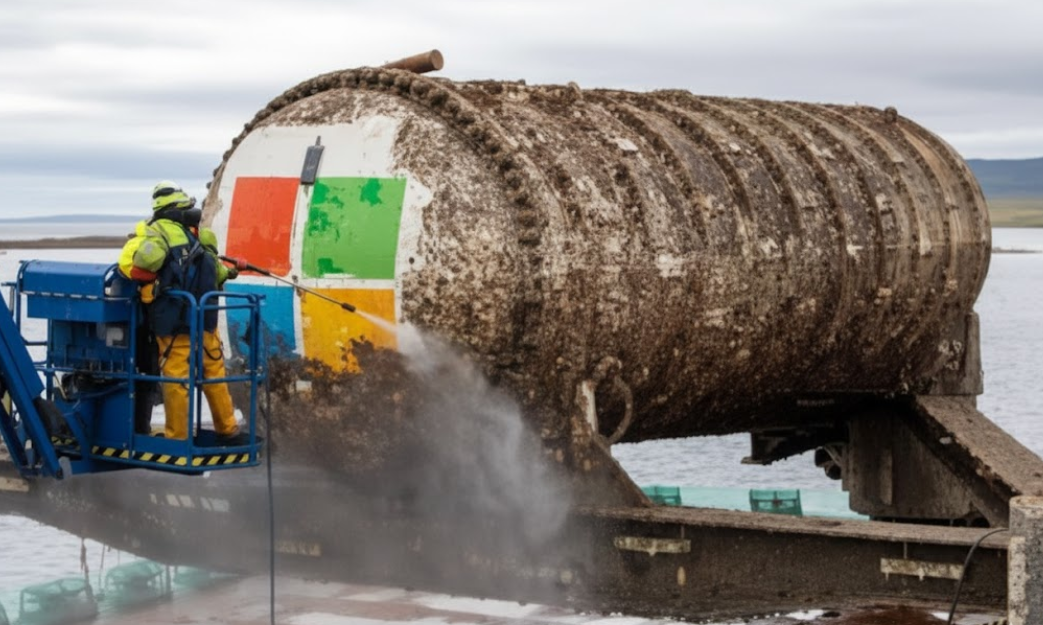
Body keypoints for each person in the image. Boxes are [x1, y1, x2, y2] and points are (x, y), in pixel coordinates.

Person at [118, 180, 246, 443]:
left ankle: (178, 437)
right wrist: (234, 269)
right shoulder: (196, 237)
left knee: (177, 380)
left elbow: (140, 266)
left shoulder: (159, 234)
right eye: (187, 206)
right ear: (175, 209)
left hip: (174, 320)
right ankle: (228, 429)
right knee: (214, 372)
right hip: (205, 318)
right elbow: (217, 272)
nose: (192, 211)